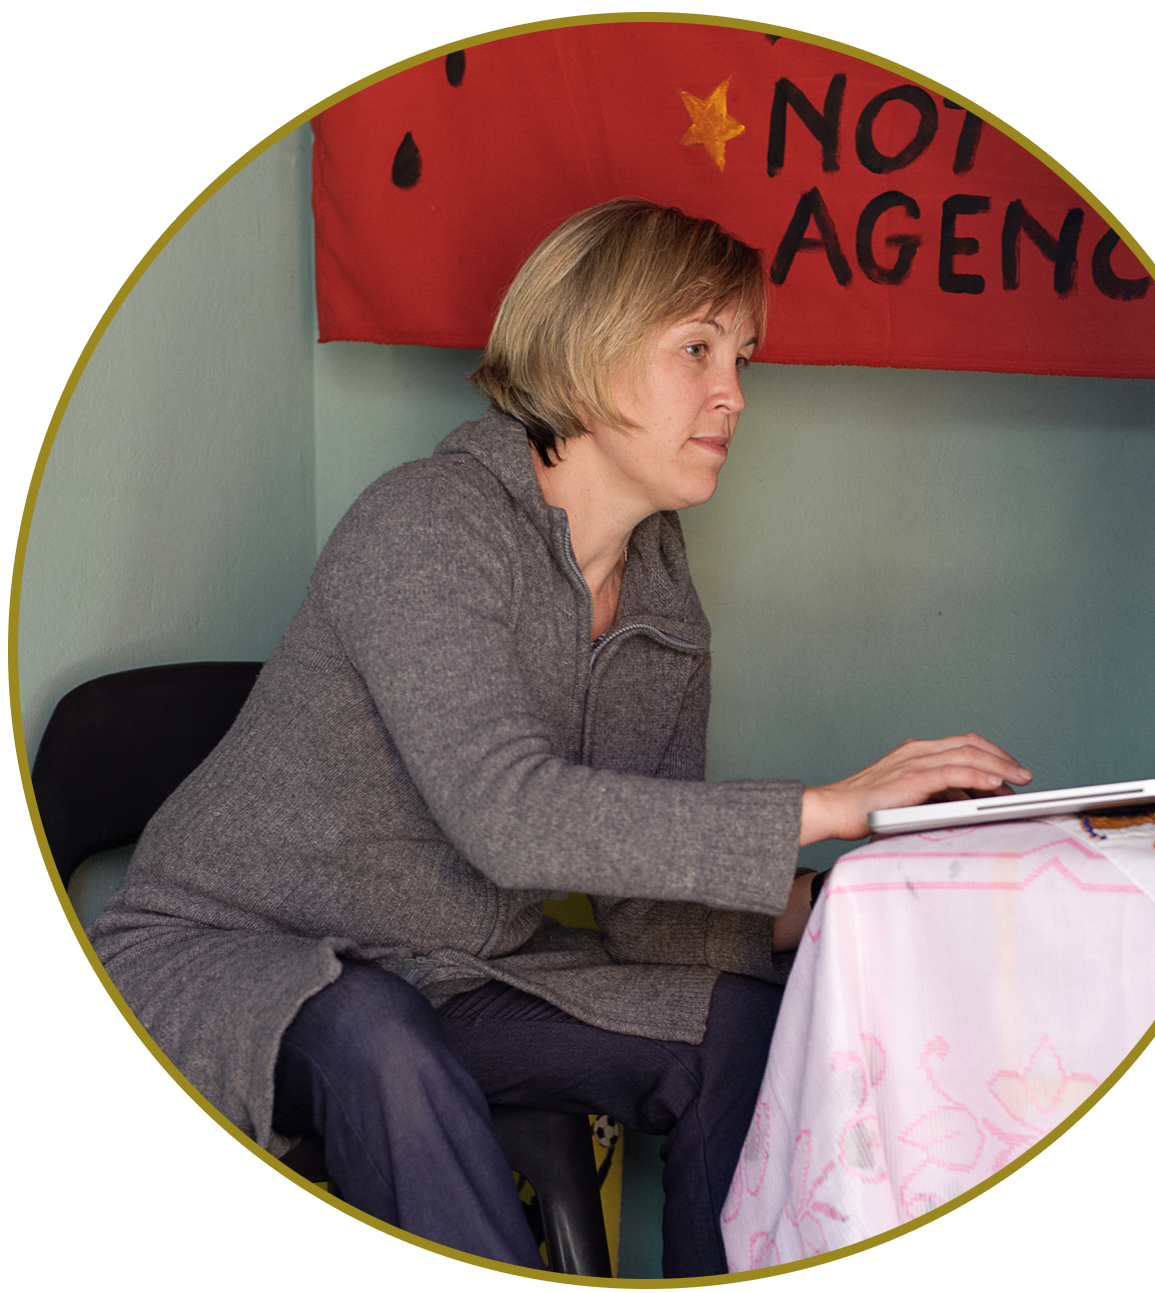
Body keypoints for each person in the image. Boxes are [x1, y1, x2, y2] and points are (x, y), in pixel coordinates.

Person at [88, 197, 1030, 1276]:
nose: (732, 394)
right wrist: (824, 805)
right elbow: (512, 817)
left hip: (443, 971)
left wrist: (866, 893)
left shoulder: (662, 600)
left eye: (742, 357)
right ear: (584, 356)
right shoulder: (425, 523)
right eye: (695, 349)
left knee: (739, 1026)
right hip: (227, 962)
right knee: (372, 1033)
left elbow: (647, 901)